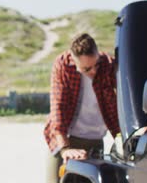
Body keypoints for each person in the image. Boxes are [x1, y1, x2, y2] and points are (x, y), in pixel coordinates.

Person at [43, 33, 120, 182]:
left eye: (95, 65)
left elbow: (127, 94)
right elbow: (57, 107)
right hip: (65, 139)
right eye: (86, 69)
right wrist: (65, 149)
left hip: (95, 141)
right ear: (74, 61)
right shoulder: (63, 65)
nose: (93, 72)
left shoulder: (108, 64)